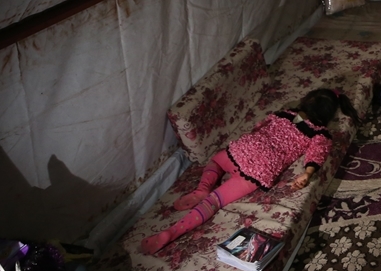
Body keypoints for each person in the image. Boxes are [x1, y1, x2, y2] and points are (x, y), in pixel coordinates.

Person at [140, 89, 355, 254]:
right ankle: (172, 232)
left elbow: (259, 126)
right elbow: (316, 154)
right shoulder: (320, 133)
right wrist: (307, 174)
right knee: (215, 202)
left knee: (215, 162)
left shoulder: (283, 113)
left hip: (240, 150)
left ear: (304, 103)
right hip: (258, 171)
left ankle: (202, 188)